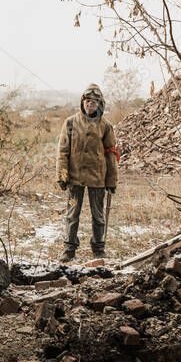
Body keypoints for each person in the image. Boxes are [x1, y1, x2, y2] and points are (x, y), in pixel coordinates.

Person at [56, 83, 119, 262]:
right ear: (82, 102)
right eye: (87, 101)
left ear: (100, 104)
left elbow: (111, 154)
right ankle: (69, 249)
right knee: (72, 214)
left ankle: (98, 249)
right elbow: (63, 152)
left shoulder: (105, 126)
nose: (90, 104)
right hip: (75, 180)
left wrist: (111, 180)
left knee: (98, 216)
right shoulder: (70, 123)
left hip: (98, 179)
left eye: (94, 102)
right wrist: (62, 175)